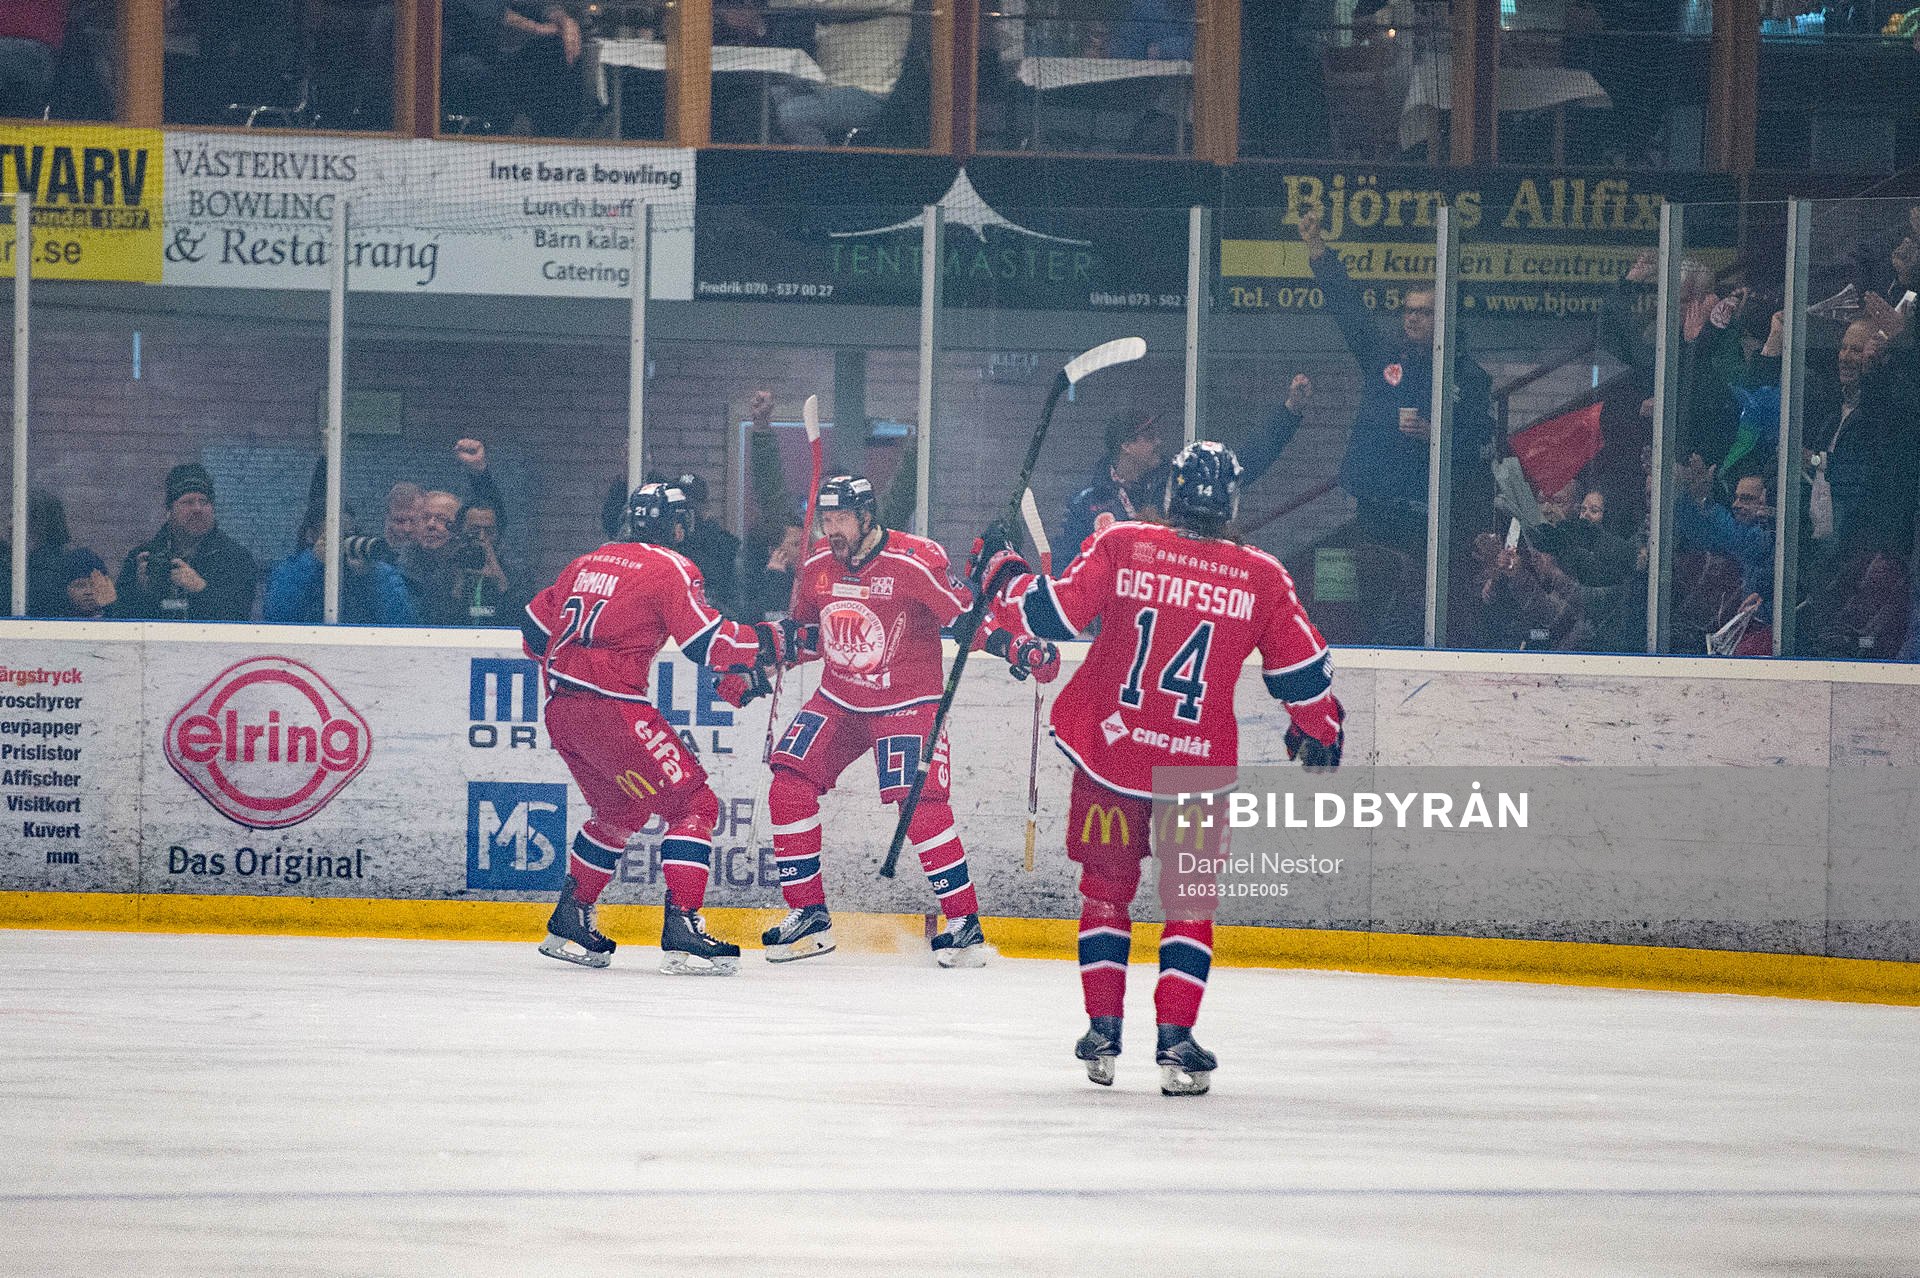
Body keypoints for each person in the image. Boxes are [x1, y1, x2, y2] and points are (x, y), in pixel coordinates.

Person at [974, 441, 1344, 1097]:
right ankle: (1175, 1042)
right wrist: (1319, 726)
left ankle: (1102, 1033)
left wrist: (1002, 578)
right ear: (1232, 502)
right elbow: (1304, 672)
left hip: (1113, 754)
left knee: (1105, 891)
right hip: (1196, 766)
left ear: (1171, 494)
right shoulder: (1260, 574)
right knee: (1190, 904)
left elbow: (1053, 611)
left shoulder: (1126, 544)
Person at [761, 473, 1059, 967]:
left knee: (918, 803)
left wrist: (1019, 647)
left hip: (907, 704)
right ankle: (808, 914)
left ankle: (964, 925)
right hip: (838, 698)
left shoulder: (915, 559)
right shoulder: (815, 561)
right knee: (788, 783)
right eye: (825, 519)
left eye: (839, 519)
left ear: (866, 516)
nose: (830, 529)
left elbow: (966, 618)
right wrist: (759, 667)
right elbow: (813, 635)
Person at [524, 480, 805, 974]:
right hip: (614, 710)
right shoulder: (672, 566)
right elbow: (708, 643)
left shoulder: (585, 562)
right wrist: (771, 640)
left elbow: (532, 634)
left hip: (561, 710)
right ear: (679, 525)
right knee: (695, 805)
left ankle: (569, 917)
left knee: (620, 809)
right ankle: (683, 929)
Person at [1298, 206, 1494, 643]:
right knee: (1364, 595)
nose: (1412, 318)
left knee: (1416, 603)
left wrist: (1435, 435)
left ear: (1443, 318)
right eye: (1408, 310)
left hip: (1427, 512)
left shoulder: (1469, 376)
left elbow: (1481, 445)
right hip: (1375, 503)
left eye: (1423, 312)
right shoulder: (1387, 358)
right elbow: (1351, 314)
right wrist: (1317, 251)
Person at [1062, 373, 1311, 553]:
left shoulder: (1179, 481)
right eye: (1149, 437)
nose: (1159, 441)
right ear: (1125, 446)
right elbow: (1068, 564)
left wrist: (1289, 412)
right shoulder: (1088, 501)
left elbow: (1247, 463)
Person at [113, 463, 258, 621]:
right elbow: (119, 621)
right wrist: (141, 591)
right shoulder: (143, 558)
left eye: (204, 502)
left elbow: (238, 619)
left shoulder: (236, 559)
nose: (197, 509)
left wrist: (200, 589)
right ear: (170, 511)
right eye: (188, 502)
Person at [263, 505, 419, 627]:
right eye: (333, 534)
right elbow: (276, 617)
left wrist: (371, 574)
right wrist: (313, 562)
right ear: (311, 536)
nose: (341, 541)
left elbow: (404, 623)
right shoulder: (292, 570)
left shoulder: (378, 571)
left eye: (348, 534)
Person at [673, 472, 741, 615]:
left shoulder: (725, 546)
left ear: (705, 509)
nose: (682, 514)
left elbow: (732, 601)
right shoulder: (664, 543)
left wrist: (686, 546)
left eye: (689, 507)